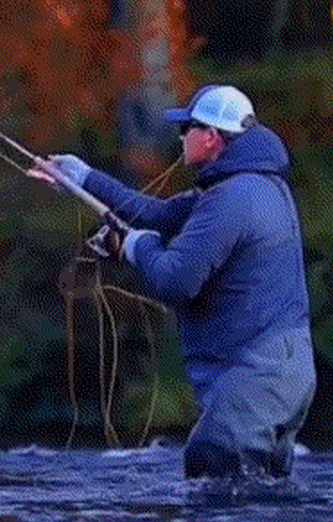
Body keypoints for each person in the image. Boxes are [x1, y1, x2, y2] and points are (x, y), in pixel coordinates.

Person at [34, 85, 316, 483]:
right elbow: (158, 215)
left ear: (211, 138)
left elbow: (175, 281)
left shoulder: (232, 198)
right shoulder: (250, 188)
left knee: (215, 467)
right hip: (279, 374)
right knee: (253, 498)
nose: (181, 136)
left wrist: (135, 246)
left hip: (259, 374)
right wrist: (82, 179)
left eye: (188, 128)